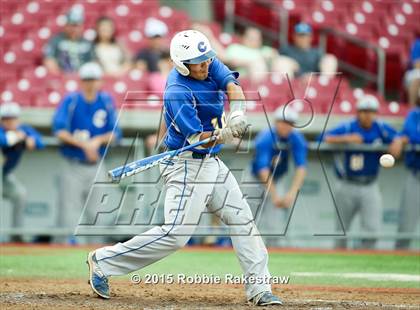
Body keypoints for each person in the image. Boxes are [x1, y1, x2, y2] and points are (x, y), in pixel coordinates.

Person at [87, 30, 282, 306]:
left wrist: (237, 113)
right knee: (176, 235)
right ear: (181, 64)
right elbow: (197, 142)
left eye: (206, 60)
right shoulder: (177, 92)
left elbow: (233, 87)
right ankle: (104, 261)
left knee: (242, 220)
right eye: (198, 63)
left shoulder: (206, 61)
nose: (205, 65)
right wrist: (224, 134)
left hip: (211, 163)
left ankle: (259, 289)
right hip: (185, 164)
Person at [52, 62, 121, 244]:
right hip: (73, 161)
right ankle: (65, 251)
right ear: (81, 81)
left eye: (94, 79)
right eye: (87, 79)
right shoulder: (71, 100)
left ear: (100, 81)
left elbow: (115, 133)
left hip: (97, 164)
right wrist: (85, 145)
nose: (90, 83)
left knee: (97, 212)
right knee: (69, 210)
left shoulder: (106, 100)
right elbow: (59, 131)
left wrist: (96, 141)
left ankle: (96, 254)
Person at [323, 95, 397, 249]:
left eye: (371, 111)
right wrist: (347, 139)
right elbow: (323, 138)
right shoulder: (348, 127)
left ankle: (363, 261)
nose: (367, 115)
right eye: (364, 111)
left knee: (372, 230)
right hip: (347, 184)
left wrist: (398, 142)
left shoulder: (381, 128)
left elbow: (400, 137)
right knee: (341, 231)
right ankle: (338, 264)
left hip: (370, 184)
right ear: (358, 112)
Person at [249, 105, 307, 247]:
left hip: (277, 179)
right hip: (255, 180)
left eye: (290, 123)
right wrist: (274, 196)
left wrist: (292, 193)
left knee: (274, 223)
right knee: (247, 220)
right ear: (276, 122)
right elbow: (263, 170)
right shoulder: (266, 137)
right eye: (283, 122)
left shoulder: (296, 138)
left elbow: (301, 167)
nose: (287, 126)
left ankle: (273, 254)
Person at [0, 102, 44, 242]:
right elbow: (3, 140)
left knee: (20, 194)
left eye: (12, 118)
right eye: (6, 119)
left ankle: (16, 234)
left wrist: (28, 139)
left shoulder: (23, 129)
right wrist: (19, 137)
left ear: (18, 120)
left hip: (4, 175)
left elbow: (39, 142)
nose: (9, 122)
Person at [389, 101, 420, 249]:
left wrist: (411, 139)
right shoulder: (415, 115)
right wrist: (401, 138)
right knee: (406, 227)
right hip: (416, 176)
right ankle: (398, 260)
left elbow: (413, 137)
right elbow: (410, 133)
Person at [43, 6, 95, 74]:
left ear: (82, 26)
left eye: (77, 26)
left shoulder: (87, 43)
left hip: (84, 79)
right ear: (66, 25)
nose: (74, 29)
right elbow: (49, 60)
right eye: (71, 25)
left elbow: (93, 63)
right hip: (62, 78)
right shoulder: (56, 41)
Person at [404, 38, 420, 106]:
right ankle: (412, 109)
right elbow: (417, 64)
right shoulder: (418, 44)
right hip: (415, 72)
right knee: (416, 79)